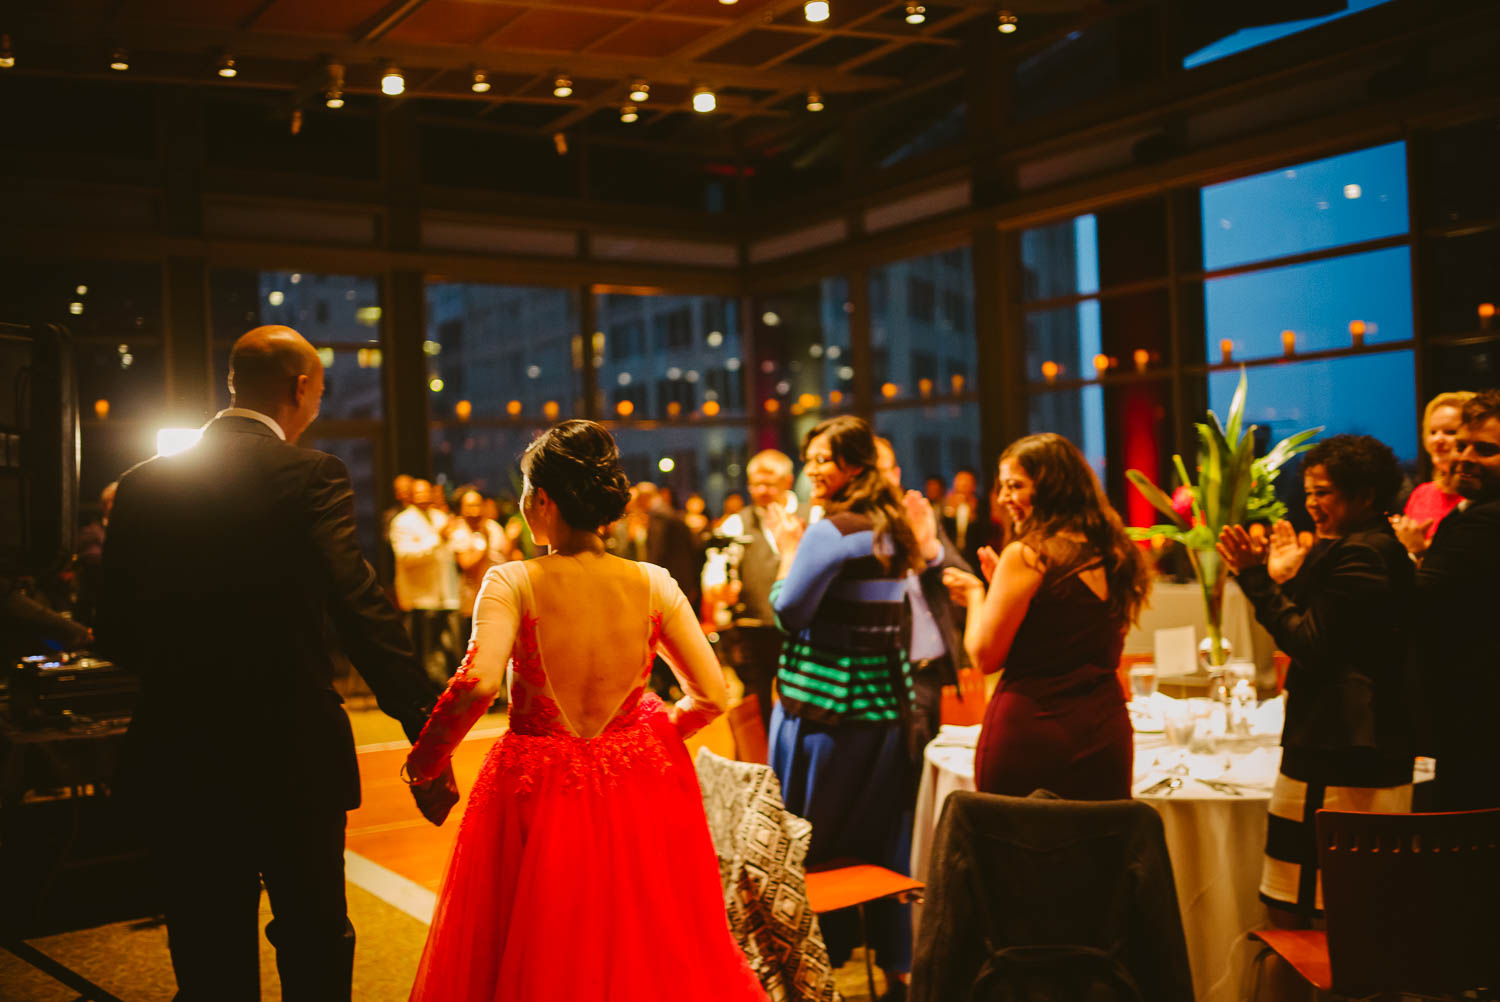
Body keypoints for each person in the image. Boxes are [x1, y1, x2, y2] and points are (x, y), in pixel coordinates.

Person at [97, 326, 452, 1002]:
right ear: (301, 388)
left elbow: (115, 631)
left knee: (207, 942)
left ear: (235, 383)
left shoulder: (143, 485)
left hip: (179, 747)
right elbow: (359, 606)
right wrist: (426, 732)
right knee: (313, 933)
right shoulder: (310, 474)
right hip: (289, 749)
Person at [402, 420, 767, 1002]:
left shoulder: (513, 581)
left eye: (525, 489)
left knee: (540, 939)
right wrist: (653, 733)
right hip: (638, 784)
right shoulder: (653, 583)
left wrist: (425, 762)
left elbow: (476, 684)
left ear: (543, 499)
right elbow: (712, 695)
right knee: (642, 934)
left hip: (538, 786)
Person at [1218, 434, 1415, 918]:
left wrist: (1255, 579)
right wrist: (1285, 578)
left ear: (1364, 495)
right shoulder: (1356, 548)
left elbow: (1309, 644)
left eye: (1323, 492)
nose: (1311, 504)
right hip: (1343, 742)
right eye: (1307, 492)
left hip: (1341, 750)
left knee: (1323, 907)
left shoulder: (1363, 554)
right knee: (1335, 902)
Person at [763, 415, 924, 999]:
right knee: (881, 846)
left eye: (824, 460)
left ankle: (814, 975)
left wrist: (786, 552)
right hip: (885, 712)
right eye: (810, 459)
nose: (812, 469)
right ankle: (894, 975)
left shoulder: (832, 530)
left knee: (812, 848)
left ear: (854, 466)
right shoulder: (892, 526)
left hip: (826, 714)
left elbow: (790, 612)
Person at [943, 433, 1150, 801]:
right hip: (1106, 732)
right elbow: (1066, 628)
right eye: (1002, 486)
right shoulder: (1115, 552)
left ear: (1052, 486)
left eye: (1015, 486)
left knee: (1021, 851)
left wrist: (977, 596)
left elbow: (985, 656)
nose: (1004, 498)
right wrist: (1003, 594)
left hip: (1034, 733)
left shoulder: (1028, 555)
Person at [1411, 389, 1500, 810]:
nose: (1464, 456)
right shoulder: (1469, 512)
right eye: (1463, 444)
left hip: (1477, 722)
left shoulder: (1484, 523)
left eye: (1485, 449)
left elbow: (1416, 604)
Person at [874, 437, 973, 756]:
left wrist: (930, 549)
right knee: (909, 779)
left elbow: (962, 575)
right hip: (894, 677)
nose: (878, 480)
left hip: (933, 672)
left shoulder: (916, 512)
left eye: (884, 470)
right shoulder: (860, 529)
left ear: (897, 473)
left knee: (930, 771)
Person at [702, 449, 801, 728]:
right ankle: (754, 766)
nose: (761, 491)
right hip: (751, 629)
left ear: (788, 481)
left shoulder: (809, 517)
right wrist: (718, 589)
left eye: (769, 484)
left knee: (796, 702)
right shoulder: (736, 523)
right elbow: (714, 574)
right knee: (754, 707)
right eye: (755, 484)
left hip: (796, 629)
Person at [392, 478, 461, 682]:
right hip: (420, 599)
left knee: (445, 652)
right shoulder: (402, 521)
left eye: (426, 492)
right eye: (418, 493)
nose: (423, 496)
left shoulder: (440, 518)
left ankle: (441, 696)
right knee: (423, 653)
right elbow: (405, 556)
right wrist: (436, 538)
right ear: (411, 496)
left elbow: (451, 552)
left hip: (445, 596)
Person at [1392, 391, 1475, 557]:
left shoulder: (1478, 499)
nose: (1438, 439)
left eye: (1450, 432)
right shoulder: (1423, 493)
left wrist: (1420, 549)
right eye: (1433, 432)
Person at [449, 488, 510, 636]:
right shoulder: (459, 533)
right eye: (470, 506)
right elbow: (467, 566)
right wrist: (485, 544)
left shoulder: (493, 528)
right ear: (461, 509)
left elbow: (506, 558)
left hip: (499, 600)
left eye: (477, 505)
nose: (475, 510)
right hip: (472, 605)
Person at [71, 480, 116, 627]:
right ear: (104, 505)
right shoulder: (90, 533)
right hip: (92, 616)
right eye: (114, 500)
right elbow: (95, 562)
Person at [941, 466, 988, 570]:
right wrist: (949, 512)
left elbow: (985, 533)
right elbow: (942, 532)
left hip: (974, 557)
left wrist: (973, 515)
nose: (963, 484)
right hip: (951, 556)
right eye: (960, 480)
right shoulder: (946, 503)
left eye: (966, 481)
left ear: (974, 485)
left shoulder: (981, 505)